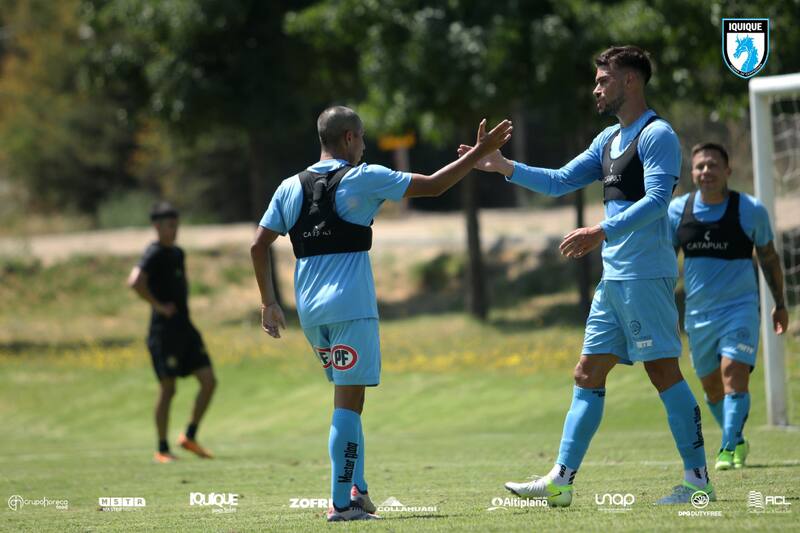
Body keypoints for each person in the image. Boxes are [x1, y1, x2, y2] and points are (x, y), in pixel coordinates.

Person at [459, 45, 713, 505]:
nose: (596, 89)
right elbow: (559, 181)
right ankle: (560, 481)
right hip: (613, 279)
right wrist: (503, 166)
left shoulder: (657, 135)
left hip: (644, 275)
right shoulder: (608, 139)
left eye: (603, 80)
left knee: (662, 371)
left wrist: (601, 230)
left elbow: (657, 201)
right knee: (587, 372)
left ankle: (698, 482)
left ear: (630, 81)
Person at [251, 105, 512, 521]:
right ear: (349, 138)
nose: (365, 146)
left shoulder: (289, 187)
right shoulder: (363, 176)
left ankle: (358, 489)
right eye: (362, 137)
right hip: (351, 307)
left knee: (350, 398)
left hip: (312, 312)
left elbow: (258, 244)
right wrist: (478, 153)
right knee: (347, 402)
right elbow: (433, 186)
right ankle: (341, 505)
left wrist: (268, 302)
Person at [669, 142, 788, 471]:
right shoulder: (677, 212)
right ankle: (737, 438)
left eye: (713, 165)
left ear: (728, 171)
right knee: (711, 386)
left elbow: (769, 258)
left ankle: (726, 447)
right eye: (700, 166)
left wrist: (780, 304)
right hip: (698, 314)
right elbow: (666, 261)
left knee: (733, 372)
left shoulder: (751, 210)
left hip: (740, 308)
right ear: (692, 173)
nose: (706, 171)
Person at [128, 202, 217, 463]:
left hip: (185, 328)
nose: (174, 230)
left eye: (176, 225)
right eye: (169, 225)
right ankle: (162, 449)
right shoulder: (153, 253)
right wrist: (158, 306)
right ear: (156, 227)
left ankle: (189, 436)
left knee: (209, 381)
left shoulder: (178, 253)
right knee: (168, 389)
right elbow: (135, 282)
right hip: (163, 332)